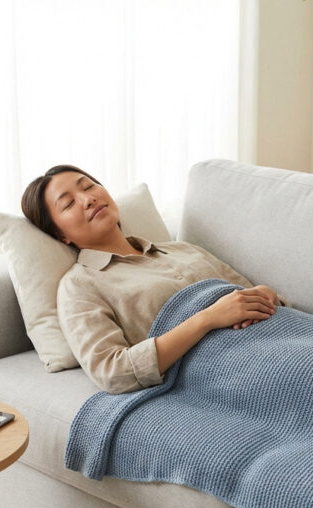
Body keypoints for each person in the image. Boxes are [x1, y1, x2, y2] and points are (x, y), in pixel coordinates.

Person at [22, 165, 285, 394]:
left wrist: (266, 293)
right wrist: (208, 318)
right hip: (234, 369)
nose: (88, 199)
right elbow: (112, 371)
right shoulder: (79, 286)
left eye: (89, 186)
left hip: (281, 337)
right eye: (68, 204)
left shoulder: (183, 249)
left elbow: (254, 298)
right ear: (61, 235)